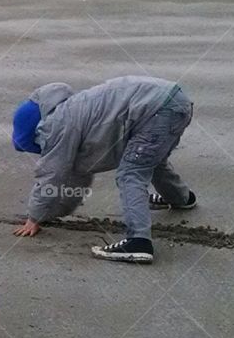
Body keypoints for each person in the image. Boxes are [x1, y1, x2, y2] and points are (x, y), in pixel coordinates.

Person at [11, 76, 196, 263]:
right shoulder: (76, 109)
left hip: (156, 110)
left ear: (36, 132)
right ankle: (181, 198)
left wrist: (34, 217)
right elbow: (78, 175)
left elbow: (52, 173)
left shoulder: (56, 125)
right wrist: (50, 213)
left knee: (131, 173)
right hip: (174, 101)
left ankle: (139, 242)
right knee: (151, 160)